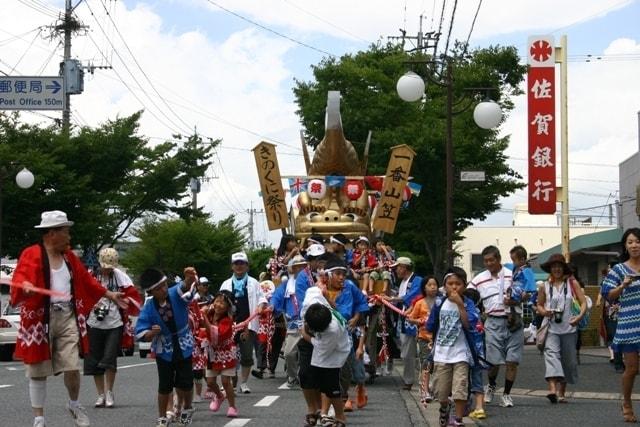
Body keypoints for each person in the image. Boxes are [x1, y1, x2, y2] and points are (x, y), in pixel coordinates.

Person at [10, 210, 128, 427]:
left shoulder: (69, 257)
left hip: (67, 316)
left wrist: (110, 294)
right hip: (39, 319)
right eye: (66, 231)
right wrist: (26, 286)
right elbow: (21, 279)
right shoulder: (32, 254)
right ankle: (39, 418)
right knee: (38, 370)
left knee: (72, 366)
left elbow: (86, 280)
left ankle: (74, 404)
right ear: (52, 233)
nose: (69, 236)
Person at [135, 267, 198, 427]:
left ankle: (188, 408)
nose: (163, 289)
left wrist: (189, 278)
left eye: (164, 285)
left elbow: (183, 287)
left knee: (186, 382)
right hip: (165, 348)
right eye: (158, 288)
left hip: (184, 342)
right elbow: (141, 331)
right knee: (164, 385)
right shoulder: (149, 307)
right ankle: (162, 416)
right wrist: (151, 333)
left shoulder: (174, 293)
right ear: (151, 292)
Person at [85, 247, 141, 409]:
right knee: (94, 359)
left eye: (111, 266)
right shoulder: (91, 276)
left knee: (110, 358)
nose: (108, 269)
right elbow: (81, 294)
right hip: (94, 322)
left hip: (114, 323)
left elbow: (133, 298)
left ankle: (109, 392)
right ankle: (100, 394)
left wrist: (121, 301)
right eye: (105, 266)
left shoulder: (121, 278)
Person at [426, 269, 480, 427]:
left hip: (461, 353)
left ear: (464, 285)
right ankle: (444, 408)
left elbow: (469, 324)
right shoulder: (439, 303)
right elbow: (431, 325)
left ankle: (458, 419)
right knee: (441, 392)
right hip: (442, 354)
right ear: (444, 286)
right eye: (450, 284)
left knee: (460, 389)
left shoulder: (468, 303)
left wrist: (460, 305)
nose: (454, 287)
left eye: (458, 284)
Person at [468, 245, 521, 408]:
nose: (489, 263)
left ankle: (506, 394)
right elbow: (469, 296)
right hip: (492, 321)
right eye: (486, 261)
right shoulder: (479, 278)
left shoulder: (512, 275)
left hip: (514, 320)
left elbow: (526, 293)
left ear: (498, 259)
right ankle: (491, 386)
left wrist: (518, 299)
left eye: (492, 260)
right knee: (493, 361)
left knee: (513, 361)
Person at [537, 253, 587, 405]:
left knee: (568, 361)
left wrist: (578, 318)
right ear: (550, 269)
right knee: (551, 355)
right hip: (551, 328)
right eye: (554, 267)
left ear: (563, 268)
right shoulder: (544, 286)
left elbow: (583, 303)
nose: (557, 269)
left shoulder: (572, 284)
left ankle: (562, 392)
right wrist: (544, 311)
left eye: (559, 266)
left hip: (569, 328)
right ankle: (552, 389)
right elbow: (539, 305)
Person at [601, 228, 640, 422]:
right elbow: (607, 294)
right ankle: (626, 402)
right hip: (629, 324)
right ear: (625, 246)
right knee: (632, 368)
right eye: (630, 242)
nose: (634, 245)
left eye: (638, 241)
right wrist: (623, 285)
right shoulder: (619, 269)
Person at [322, 255, 369, 411]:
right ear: (328, 275)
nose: (342, 277)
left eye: (343, 274)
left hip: (348, 333)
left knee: (350, 367)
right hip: (327, 334)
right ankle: (340, 400)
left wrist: (356, 317)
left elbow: (361, 302)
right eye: (338, 274)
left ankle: (353, 391)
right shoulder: (319, 290)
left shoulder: (349, 286)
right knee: (329, 368)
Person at [219, 252, 267, 394]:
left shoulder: (254, 283)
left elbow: (262, 298)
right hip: (229, 325)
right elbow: (219, 302)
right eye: (236, 264)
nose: (239, 266)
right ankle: (228, 383)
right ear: (232, 266)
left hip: (249, 324)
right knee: (229, 354)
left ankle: (244, 383)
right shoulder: (226, 284)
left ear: (247, 266)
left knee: (246, 355)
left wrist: (261, 305)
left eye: (242, 263)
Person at [302, 297, 351, 427]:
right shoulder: (321, 309)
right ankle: (321, 413)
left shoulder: (331, 331)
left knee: (331, 386)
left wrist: (304, 333)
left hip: (334, 353)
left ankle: (340, 418)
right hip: (326, 350)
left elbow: (318, 345)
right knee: (315, 381)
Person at [270, 255, 308, 387]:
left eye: (303, 265)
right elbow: (276, 296)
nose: (300, 268)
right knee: (289, 353)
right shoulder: (286, 284)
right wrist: (272, 305)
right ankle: (292, 376)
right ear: (292, 268)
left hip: (311, 322)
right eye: (297, 266)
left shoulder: (312, 280)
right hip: (294, 323)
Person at [385, 256, 422, 390]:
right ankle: (410, 378)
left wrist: (393, 298)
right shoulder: (403, 282)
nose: (396, 271)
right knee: (406, 351)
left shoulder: (417, 280)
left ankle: (410, 380)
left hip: (415, 318)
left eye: (397, 268)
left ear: (404, 267)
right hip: (403, 318)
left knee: (411, 351)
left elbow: (411, 296)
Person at [204, 290, 239, 418]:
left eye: (222, 303)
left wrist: (204, 319)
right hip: (212, 352)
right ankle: (219, 396)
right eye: (217, 301)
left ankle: (232, 407)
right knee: (210, 382)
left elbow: (217, 334)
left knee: (225, 381)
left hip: (226, 352)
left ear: (228, 307)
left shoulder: (227, 320)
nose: (218, 305)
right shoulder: (209, 313)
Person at [405, 275, 438, 405]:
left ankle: (433, 389)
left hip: (439, 338)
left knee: (436, 365)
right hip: (424, 338)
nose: (432, 287)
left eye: (435, 285)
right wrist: (419, 321)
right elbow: (410, 318)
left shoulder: (441, 301)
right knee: (426, 363)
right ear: (424, 287)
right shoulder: (419, 303)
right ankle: (424, 390)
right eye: (429, 285)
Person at [597, 262, 623, 372]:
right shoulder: (608, 280)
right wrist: (599, 300)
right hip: (613, 310)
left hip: (627, 309)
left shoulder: (626, 277)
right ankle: (618, 363)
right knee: (615, 336)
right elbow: (603, 292)